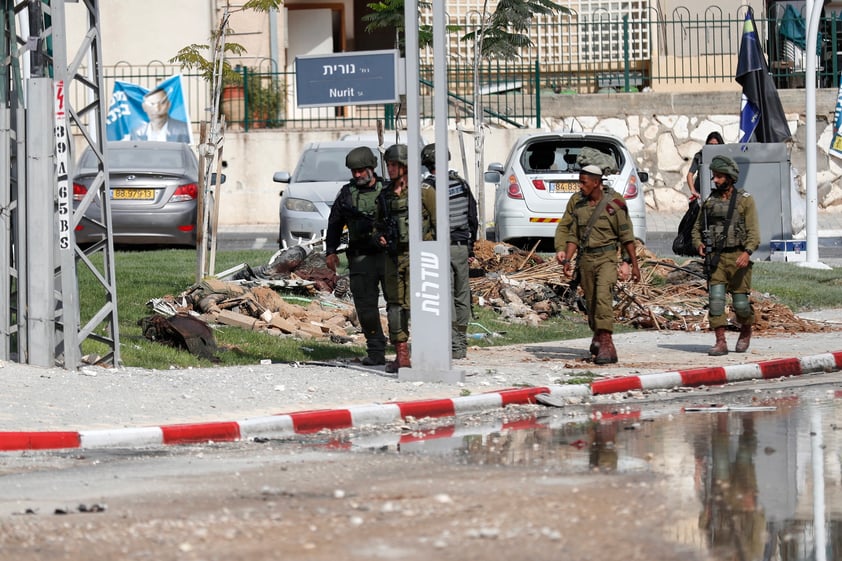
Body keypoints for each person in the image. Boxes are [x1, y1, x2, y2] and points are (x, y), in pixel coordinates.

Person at [554, 164, 641, 364]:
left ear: (596, 183)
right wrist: (567, 259)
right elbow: (573, 235)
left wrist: (632, 264)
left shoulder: (615, 204)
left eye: (584, 182)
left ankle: (607, 345)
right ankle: (598, 338)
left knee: (603, 298)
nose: (580, 186)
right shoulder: (579, 205)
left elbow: (627, 237)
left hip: (607, 259)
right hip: (586, 261)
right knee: (592, 303)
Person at [325, 146, 389, 366]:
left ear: (371, 168)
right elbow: (334, 224)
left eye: (361, 170)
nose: (357, 175)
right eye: (354, 171)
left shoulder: (388, 191)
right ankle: (376, 350)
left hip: (388, 257)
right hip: (361, 258)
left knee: (399, 305)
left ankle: (403, 348)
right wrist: (331, 251)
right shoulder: (346, 194)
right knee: (365, 307)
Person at [691, 155, 759, 356]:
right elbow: (696, 229)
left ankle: (746, 328)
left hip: (739, 258)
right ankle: (720, 341)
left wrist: (747, 252)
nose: (716, 180)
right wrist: (698, 244)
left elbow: (753, 232)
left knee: (740, 305)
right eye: (714, 176)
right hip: (717, 259)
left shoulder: (745, 200)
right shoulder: (710, 201)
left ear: (730, 177)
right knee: (716, 300)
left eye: (720, 176)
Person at [420, 143, 479, 359]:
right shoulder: (461, 184)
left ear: (426, 163)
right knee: (462, 295)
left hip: (437, 248)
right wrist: (470, 246)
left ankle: (451, 343)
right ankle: (460, 344)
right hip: (461, 248)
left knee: (444, 296)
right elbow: (473, 217)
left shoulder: (426, 188)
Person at [377, 144, 432, 373]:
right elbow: (377, 226)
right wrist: (379, 237)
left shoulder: (424, 192)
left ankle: (426, 352)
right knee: (394, 306)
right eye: (388, 165)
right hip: (393, 256)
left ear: (405, 166)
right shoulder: (385, 196)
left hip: (418, 256)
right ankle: (402, 354)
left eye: (394, 165)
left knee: (418, 305)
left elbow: (439, 225)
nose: (390, 169)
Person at [686, 131, 724, 200]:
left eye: (715, 145)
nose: (713, 147)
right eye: (710, 144)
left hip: (719, 194)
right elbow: (690, 174)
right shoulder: (700, 156)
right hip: (701, 193)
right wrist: (693, 191)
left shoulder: (725, 156)